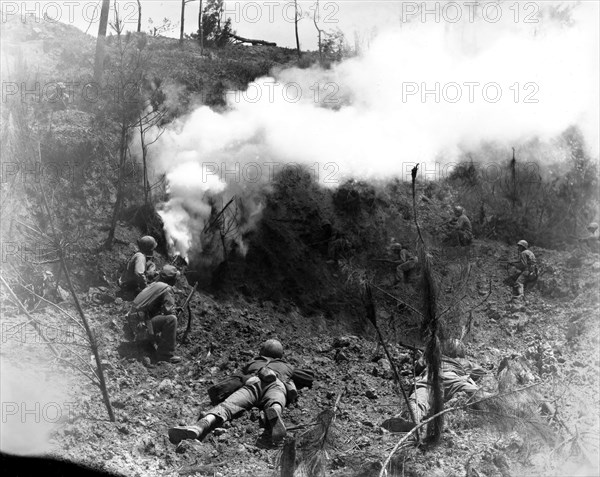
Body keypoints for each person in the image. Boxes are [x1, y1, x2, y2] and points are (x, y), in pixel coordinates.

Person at [168, 339, 296, 445]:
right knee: (276, 400)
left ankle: (201, 425)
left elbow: (240, 374)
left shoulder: (254, 362)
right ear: (280, 354)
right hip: (276, 384)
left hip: (254, 382)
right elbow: (307, 376)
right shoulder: (287, 366)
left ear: (263, 351)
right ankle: (275, 413)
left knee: (227, 406)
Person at [381, 357, 487, 432]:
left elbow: (418, 367)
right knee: (476, 394)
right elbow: (481, 372)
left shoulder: (431, 356)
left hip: (430, 378)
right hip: (453, 378)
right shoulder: (463, 362)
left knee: (419, 398)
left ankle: (411, 417)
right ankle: (494, 404)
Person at [126, 265, 182, 364]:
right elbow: (170, 311)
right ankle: (165, 355)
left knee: (161, 317)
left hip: (132, 321)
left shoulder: (155, 284)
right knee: (172, 320)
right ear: (172, 280)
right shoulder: (166, 289)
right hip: (140, 326)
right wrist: (176, 310)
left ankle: (150, 342)